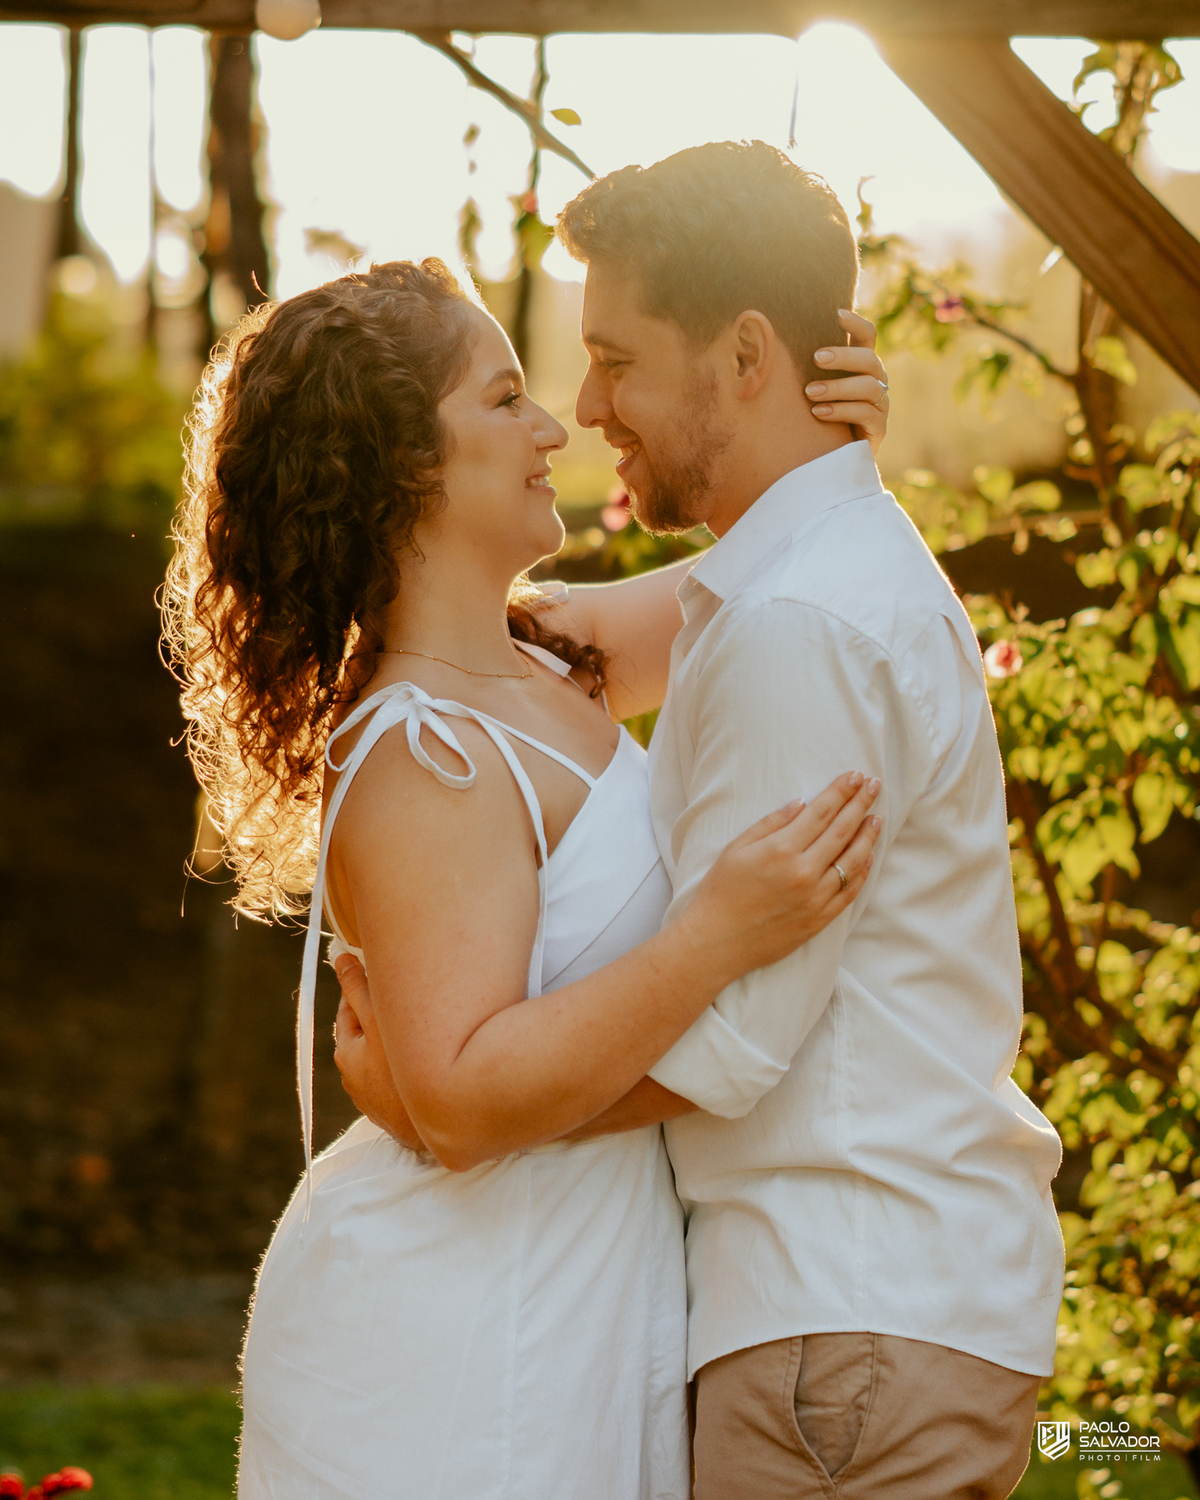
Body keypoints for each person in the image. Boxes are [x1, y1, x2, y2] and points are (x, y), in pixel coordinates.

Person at [339, 141, 1066, 1499]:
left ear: (741, 355)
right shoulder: (791, 577)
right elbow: (514, 654)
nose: (582, 405)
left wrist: (450, 1101)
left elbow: (735, 1051)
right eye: (529, 385)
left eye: (612, 356)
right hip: (865, 1322)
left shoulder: (794, 618)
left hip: (842, 1332)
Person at [162, 244, 888, 1498]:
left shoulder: (551, 654)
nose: (554, 424)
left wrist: (837, 444)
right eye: (503, 399)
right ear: (402, 463)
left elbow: (773, 574)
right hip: (461, 1325)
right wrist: (713, 937)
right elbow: (459, 1097)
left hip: (572, 1288)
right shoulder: (419, 753)